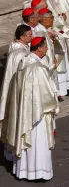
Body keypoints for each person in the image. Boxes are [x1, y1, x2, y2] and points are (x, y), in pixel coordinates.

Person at [7, 37, 58, 181]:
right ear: (40, 48)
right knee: (38, 141)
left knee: (28, 141)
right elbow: (46, 93)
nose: (47, 49)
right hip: (38, 113)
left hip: (25, 111)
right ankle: (38, 172)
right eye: (45, 47)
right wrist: (54, 104)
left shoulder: (25, 62)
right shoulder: (38, 68)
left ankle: (23, 171)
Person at [0, 25, 32, 162]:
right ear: (22, 37)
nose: (32, 36)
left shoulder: (17, 48)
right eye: (29, 35)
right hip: (18, 92)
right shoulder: (20, 54)